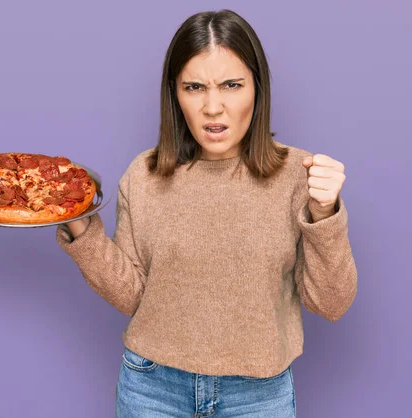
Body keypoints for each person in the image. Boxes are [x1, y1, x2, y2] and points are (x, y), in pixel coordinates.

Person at [56, 8, 357, 418]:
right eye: (194, 87)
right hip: (151, 388)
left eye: (232, 85)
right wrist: (77, 221)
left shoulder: (298, 175)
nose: (213, 107)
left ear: (258, 88)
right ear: (175, 95)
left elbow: (331, 303)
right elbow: (132, 296)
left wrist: (325, 216)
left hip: (259, 395)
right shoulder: (144, 174)